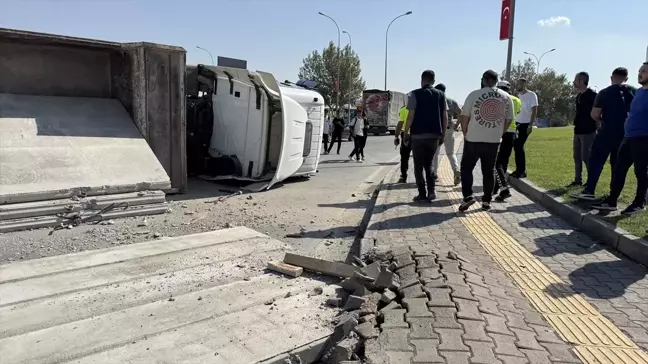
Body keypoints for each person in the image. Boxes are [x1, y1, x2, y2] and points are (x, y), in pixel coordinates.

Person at [591, 62, 648, 214]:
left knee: (641, 172)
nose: (640, 73)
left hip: (643, 138)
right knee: (619, 168)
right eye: (639, 70)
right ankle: (612, 200)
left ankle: (639, 202)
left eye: (643, 71)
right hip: (628, 137)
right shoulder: (640, 92)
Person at [571, 67, 634, 201]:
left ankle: (590, 189)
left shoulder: (605, 92)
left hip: (606, 131)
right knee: (617, 163)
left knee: (596, 160)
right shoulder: (634, 92)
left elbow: (594, 114)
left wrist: (601, 120)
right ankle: (614, 192)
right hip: (624, 133)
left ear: (611, 78)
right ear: (626, 78)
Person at [458, 70, 514, 212]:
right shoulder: (507, 97)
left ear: (484, 80)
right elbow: (508, 119)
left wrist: (466, 133)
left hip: (473, 139)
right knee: (488, 172)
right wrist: (499, 132)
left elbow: (465, 117)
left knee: (466, 169)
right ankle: (486, 201)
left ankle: (468, 196)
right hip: (493, 141)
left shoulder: (474, 94)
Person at [402, 70, 448, 202]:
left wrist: (406, 132)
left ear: (421, 80)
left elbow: (410, 116)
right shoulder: (440, 95)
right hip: (434, 135)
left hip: (417, 136)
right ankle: (432, 192)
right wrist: (443, 134)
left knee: (418, 166)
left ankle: (422, 193)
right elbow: (444, 116)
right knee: (429, 164)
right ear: (433, 81)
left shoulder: (415, 94)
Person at [493, 80, 522, 202]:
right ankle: (496, 189)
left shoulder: (498, 98)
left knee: (495, 162)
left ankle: (504, 188)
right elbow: (517, 112)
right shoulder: (516, 100)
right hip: (512, 133)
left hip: (500, 131)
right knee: (503, 162)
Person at [569, 72, 598, 186]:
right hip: (578, 130)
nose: (574, 82)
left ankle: (591, 181)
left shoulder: (592, 95)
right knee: (577, 157)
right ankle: (577, 180)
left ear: (581, 81)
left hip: (588, 131)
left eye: (575, 80)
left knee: (586, 157)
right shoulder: (578, 96)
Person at [431, 83, 462, 185]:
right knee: (451, 153)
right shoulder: (452, 101)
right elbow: (460, 113)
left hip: (438, 130)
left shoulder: (435, 100)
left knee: (435, 154)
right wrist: (457, 125)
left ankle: (435, 174)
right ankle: (456, 170)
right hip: (450, 130)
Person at [511, 78, 538, 178]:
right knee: (516, 147)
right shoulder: (517, 96)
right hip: (516, 124)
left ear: (524, 84)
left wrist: (530, 125)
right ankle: (519, 170)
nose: (518, 86)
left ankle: (522, 171)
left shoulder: (531, 95)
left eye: (520, 84)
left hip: (525, 124)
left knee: (519, 145)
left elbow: (534, 110)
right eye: (517, 84)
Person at [395, 102, 411, 183]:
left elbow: (400, 124)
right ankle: (420, 178)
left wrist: (396, 137)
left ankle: (403, 176)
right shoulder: (420, 109)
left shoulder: (404, 109)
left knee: (404, 157)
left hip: (406, 136)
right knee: (419, 158)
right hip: (417, 136)